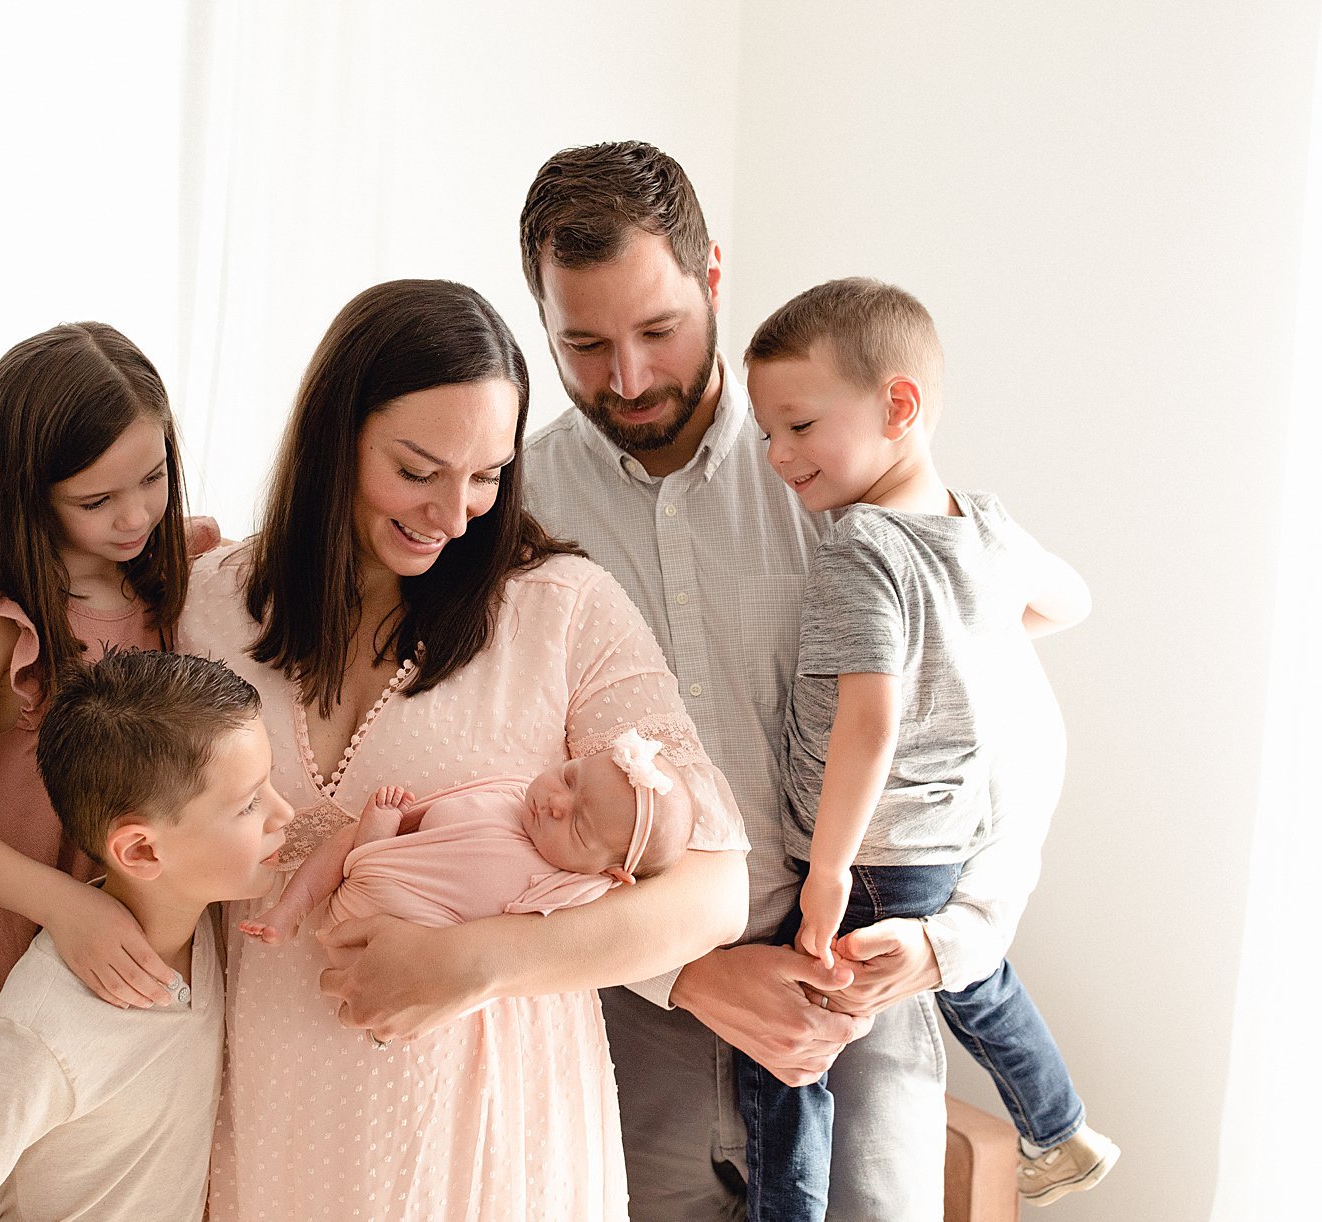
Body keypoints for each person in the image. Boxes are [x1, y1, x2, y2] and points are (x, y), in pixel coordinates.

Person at [520, 141, 1070, 1220]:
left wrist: (951, 938)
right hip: (631, 1015)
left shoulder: (848, 470)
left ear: (711, 275)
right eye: (581, 343)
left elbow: (1009, 740)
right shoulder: (519, 508)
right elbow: (502, 788)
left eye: (657, 330)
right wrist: (679, 975)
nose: (625, 379)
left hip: (866, 989)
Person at [179, 277, 750, 1221]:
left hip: (492, 1136)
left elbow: (713, 889)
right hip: (265, 1105)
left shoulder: (563, 608)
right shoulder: (209, 606)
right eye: (418, 470)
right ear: (336, 436)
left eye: (487, 475)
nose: (454, 515)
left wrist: (474, 962)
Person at [736, 278, 1115, 1215]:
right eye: (767, 434)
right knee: (973, 984)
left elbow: (869, 723)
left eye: (798, 426)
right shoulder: (978, 527)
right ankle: (1059, 1128)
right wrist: (975, 629)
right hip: (945, 843)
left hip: (869, 853)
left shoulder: (861, 547)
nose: (779, 457)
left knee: (788, 1057)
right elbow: (1071, 602)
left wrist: (825, 872)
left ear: (897, 406)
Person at [0, 322, 218, 1171]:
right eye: (96, 501)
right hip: (0, 909)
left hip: (136, 920)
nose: (136, 516)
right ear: (26, 494)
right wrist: (68, 905)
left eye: (154, 477)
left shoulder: (188, 577)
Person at [0, 649, 296, 1222]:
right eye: (251, 802)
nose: (284, 813)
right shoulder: (40, 1036)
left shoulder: (207, 933)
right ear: (142, 851)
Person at [239, 727, 692, 943]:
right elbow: (421, 820)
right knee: (355, 832)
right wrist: (391, 821)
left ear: (611, 871)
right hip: (378, 864)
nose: (557, 803)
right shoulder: (509, 794)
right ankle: (290, 910)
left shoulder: (575, 890)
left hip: (411, 930)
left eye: (578, 825)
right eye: (570, 778)